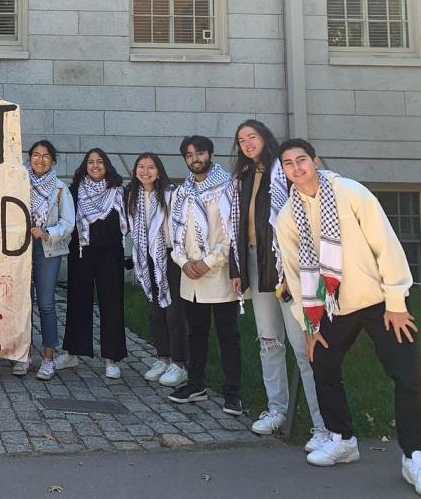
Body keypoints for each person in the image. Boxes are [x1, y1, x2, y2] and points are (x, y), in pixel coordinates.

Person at [276, 139, 421, 490]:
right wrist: (310, 327)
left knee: (407, 373)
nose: (297, 168)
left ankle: (415, 456)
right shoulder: (287, 216)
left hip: (378, 301)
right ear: (283, 171)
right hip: (334, 306)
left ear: (315, 161)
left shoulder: (349, 192)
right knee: (323, 362)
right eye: (288, 164)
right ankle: (342, 440)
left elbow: (385, 243)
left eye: (302, 160)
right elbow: (296, 276)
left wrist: (396, 302)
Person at [228, 120, 328, 449]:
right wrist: (236, 267)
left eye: (252, 136)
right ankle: (276, 409)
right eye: (241, 140)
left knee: (303, 346)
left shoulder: (282, 171)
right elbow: (235, 226)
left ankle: (323, 424)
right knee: (268, 340)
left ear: (264, 138)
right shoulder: (241, 177)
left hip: (288, 267)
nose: (246, 143)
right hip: (255, 264)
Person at [168, 135, 243, 416]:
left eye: (199, 153)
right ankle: (196, 384)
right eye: (189, 155)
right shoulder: (182, 193)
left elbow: (231, 233)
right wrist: (183, 262)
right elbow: (173, 234)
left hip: (219, 273)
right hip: (190, 274)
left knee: (227, 335)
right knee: (196, 332)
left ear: (210, 154)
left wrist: (208, 262)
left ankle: (232, 392)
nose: (194, 159)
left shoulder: (227, 187)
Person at [63, 148, 129, 379]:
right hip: (81, 252)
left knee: (111, 304)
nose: (95, 166)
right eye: (90, 162)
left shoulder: (119, 192)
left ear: (107, 165)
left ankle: (112, 358)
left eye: (100, 162)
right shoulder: (75, 191)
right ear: (84, 166)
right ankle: (73, 352)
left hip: (110, 254)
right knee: (77, 301)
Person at [11, 140, 75, 380]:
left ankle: (48, 358)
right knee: (22, 303)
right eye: (36, 155)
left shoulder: (59, 189)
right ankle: (22, 354)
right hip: (20, 248)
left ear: (52, 160)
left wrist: (47, 233)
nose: (40, 159)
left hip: (47, 249)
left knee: (46, 304)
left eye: (45, 156)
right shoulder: (18, 183)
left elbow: (69, 223)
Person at [127, 153, 188, 388]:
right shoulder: (132, 196)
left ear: (159, 171)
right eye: (141, 167)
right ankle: (162, 357)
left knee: (174, 312)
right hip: (147, 258)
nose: (145, 171)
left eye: (150, 167)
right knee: (155, 311)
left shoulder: (171, 194)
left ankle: (180, 363)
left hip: (170, 257)